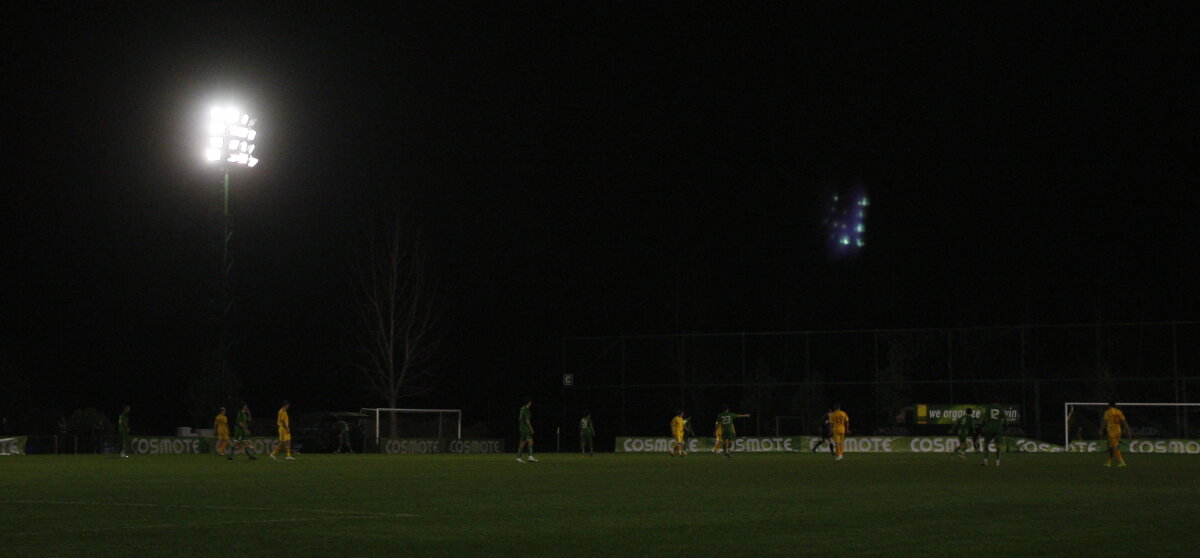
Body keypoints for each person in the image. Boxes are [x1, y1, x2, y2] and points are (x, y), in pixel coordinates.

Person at [1101, 401, 1131, 468]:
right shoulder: (1119, 412)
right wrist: (1128, 429)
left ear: (1109, 406)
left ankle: (1122, 462)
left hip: (1112, 431)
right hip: (1118, 431)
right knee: (1113, 446)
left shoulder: (1108, 412)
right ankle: (1109, 462)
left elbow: (1104, 421)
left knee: (1114, 447)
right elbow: (1124, 421)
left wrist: (1101, 429)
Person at [516, 397, 538, 463]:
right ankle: (524, 457)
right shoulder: (526, 409)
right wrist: (531, 428)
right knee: (527, 442)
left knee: (526, 442)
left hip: (522, 427)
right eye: (530, 402)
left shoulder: (522, 408)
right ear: (529, 402)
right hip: (525, 428)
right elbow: (527, 420)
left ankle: (524, 457)